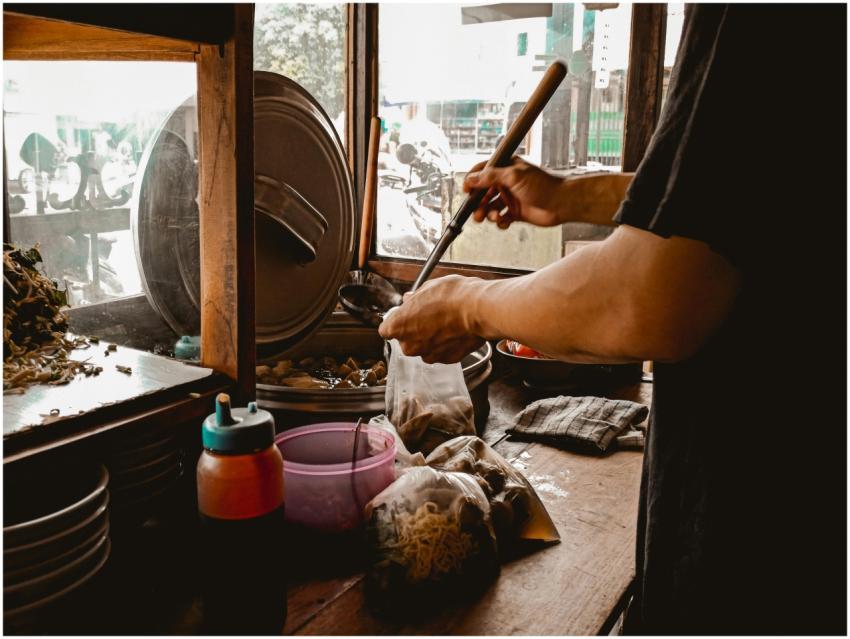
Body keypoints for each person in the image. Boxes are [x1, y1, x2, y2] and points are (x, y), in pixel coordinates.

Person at [379, 4, 846, 634]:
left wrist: (471, 303)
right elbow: (735, 197)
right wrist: (570, 195)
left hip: (766, 537)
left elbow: (653, 295)